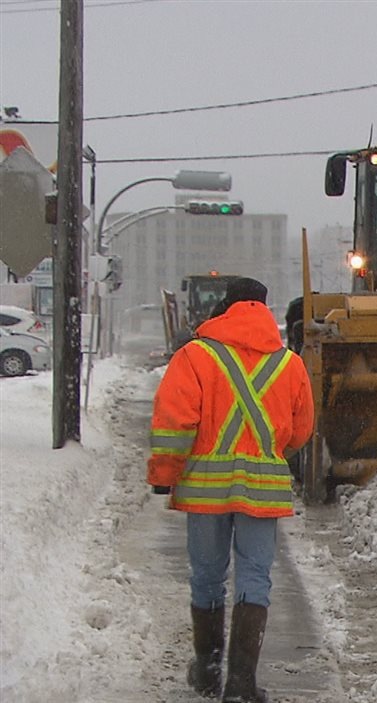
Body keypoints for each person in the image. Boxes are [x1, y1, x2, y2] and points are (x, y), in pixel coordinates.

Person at [148, 276, 314, 702]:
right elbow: (300, 431)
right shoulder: (289, 363)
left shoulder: (195, 356)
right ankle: (241, 682)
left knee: (206, 576)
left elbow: (174, 422)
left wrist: (165, 473)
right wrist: (267, 452)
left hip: (205, 488)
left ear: (225, 306)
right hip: (263, 490)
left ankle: (206, 669)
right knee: (255, 577)